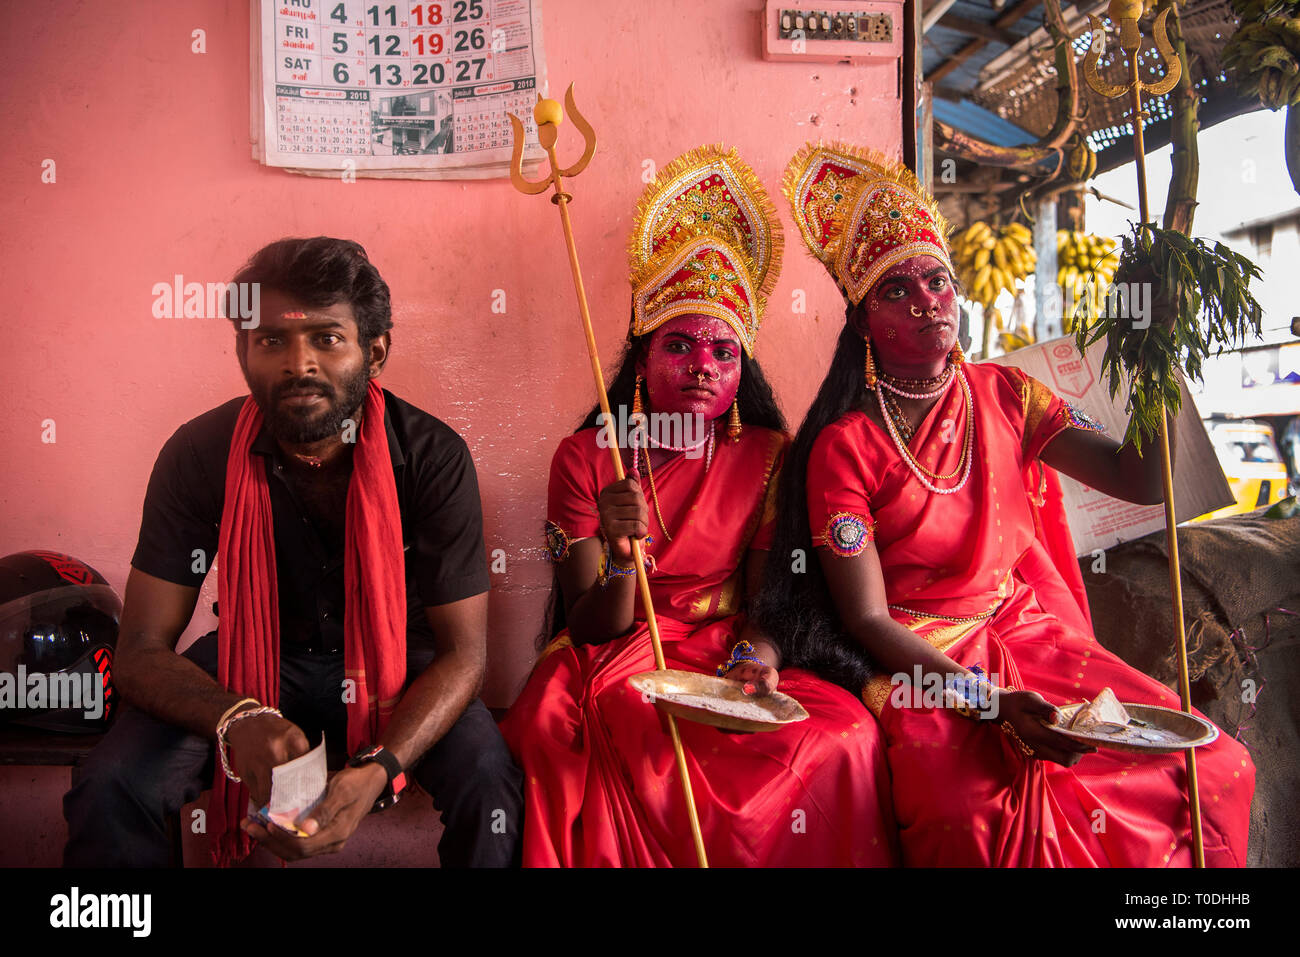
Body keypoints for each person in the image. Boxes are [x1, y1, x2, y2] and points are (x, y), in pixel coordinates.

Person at [758, 142, 1255, 866]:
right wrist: (988, 703)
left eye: (937, 280)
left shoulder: (1007, 394)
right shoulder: (846, 444)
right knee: (972, 815)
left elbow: (1141, 479)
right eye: (898, 292)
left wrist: (1154, 358)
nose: (928, 299)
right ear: (865, 324)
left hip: (1026, 634)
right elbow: (866, 617)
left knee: (1213, 765)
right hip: (924, 664)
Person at [63, 237, 521, 867]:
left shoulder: (432, 457)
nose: (297, 363)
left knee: (491, 786)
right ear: (243, 351)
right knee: (111, 784)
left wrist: (381, 768)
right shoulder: (200, 452)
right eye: (272, 340)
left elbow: (465, 656)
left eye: (327, 339)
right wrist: (235, 718)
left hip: (399, 666)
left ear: (376, 350)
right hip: (251, 652)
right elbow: (139, 650)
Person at [499, 145, 897, 867]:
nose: (704, 366)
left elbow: (762, 599)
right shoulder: (587, 456)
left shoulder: (771, 454)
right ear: (642, 360)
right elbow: (592, 624)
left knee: (844, 736)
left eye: (722, 349)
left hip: (726, 647)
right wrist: (624, 561)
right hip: (619, 652)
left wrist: (753, 660)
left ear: (742, 363)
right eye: (679, 345)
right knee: (640, 736)